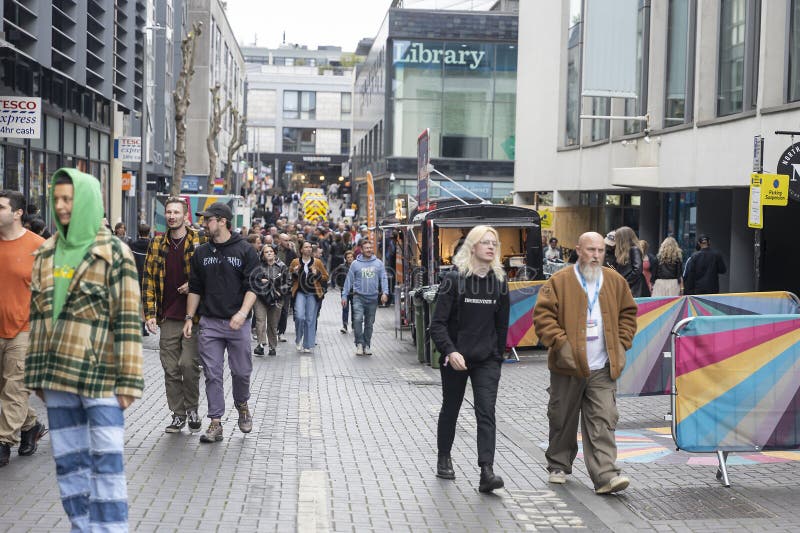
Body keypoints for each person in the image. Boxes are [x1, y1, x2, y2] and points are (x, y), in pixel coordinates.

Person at [25, 169, 144, 530]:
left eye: (69, 199)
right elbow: (37, 320)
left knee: (107, 466)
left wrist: (129, 383)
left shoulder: (114, 254)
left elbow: (127, 319)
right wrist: (37, 378)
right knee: (69, 465)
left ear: (87, 201)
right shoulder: (45, 253)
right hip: (57, 380)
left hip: (102, 379)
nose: (61, 206)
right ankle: (82, 527)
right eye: (57, 199)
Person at [532, 231, 637, 495]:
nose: (596, 256)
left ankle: (605, 475)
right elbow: (543, 317)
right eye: (591, 250)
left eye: (600, 251)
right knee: (562, 418)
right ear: (578, 250)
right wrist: (561, 344)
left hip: (603, 367)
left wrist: (622, 344)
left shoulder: (615, 281)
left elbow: (628, 314)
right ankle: (558, 464)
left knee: (603, 419)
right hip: (567, 366)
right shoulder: (559, 281)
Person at [429, 225, 510, 493]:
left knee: (486, 412)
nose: (491, 247)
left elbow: (502, 326)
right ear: (473, 247)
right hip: (456, 358)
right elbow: (437, 324)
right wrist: (450, 352)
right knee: (450, 408)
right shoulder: (454, 279)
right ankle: (444, 456)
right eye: (485, 242)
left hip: (486, 360)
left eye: (494, 244)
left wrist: (497, 357)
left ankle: (486, 471)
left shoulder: (499, 282)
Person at [185, 202, 260, 443]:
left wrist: (242, 313)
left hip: (238, 323)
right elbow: (195, 288)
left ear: (222, 221)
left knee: (241, 372)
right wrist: (189, 318)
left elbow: (253, 286)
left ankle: (242, 404)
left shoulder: (246, 250)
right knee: (212, 373)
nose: (204, 224)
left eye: (208, 220)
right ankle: (215, 422)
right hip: (210, 323)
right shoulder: (201, 253)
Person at [142, 197, 204, 434]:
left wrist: (193, 284)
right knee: (170, 369)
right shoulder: (157, 244)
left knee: (188, 365)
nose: (171, 216)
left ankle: (192, 409)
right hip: (167, 316)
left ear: (185, 216)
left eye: (176, 212)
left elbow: (209, 274)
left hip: (192, 317)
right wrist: (149, 313)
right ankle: (178, 414)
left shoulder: (199, 241)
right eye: (168, 212)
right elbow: (147, 279)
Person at [0, 190, 47, 467]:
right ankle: (30, 426)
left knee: (15, 389)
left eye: (1, 207)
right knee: (5, 388)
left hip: (26, 330)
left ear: (17, 214)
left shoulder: (39, 247)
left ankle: (4, 442)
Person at [341, 240, 389, 356]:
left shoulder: (378, 263)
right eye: (366, 248)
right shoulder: (355, 264)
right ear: (361, 250)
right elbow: (349, 280)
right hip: (358, 297)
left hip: (372, 298)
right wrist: (344, 295)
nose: (369, 250)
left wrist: (385, 293)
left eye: (370, 247)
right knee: (357, 320)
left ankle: (367, 345)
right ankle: (359, 343)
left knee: (369, 323)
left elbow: (383, 278)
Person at [289, 241, 329, 353]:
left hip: (313, 293)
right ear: (301, 250)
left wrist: (317, 274)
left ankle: (307, 344)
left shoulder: (317, 262)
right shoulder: (295, 261)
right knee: (300, 316)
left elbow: (326, 276)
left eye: (310, 247)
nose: (308, 249)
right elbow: (288, 276)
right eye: (306, 247)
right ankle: (298, 338)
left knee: (310, 319)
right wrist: (295, 272)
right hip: (300, 292)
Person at [252, 245, 288, 357]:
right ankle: (261, 344)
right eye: (266, 252)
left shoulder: (282, 266)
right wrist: (260, 280)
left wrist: (279, 292)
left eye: (271, 251)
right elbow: (252, 280)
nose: (269, 253)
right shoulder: (258, 266)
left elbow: (288, 283)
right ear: (262, 255)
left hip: (276, 298)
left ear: (275, 253)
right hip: (261, 297)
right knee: (260, 320)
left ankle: (272, 346)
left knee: (273, 323)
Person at [612, 226, 650, 298]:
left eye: (617, 238)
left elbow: (637, 270)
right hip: (630, 286)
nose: (615, 240)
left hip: (635, 288)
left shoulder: (634, 249)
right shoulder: (623, 252)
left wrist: (625, 282)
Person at [275, 232, 297, 342]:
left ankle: (281, 332)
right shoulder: (274, 250)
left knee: (284, 309)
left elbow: (296, 265)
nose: (288, 242)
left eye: (288, 240)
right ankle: (273, 330)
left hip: (287, 284)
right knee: (274, 308)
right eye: (285, 240)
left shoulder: (291, 253)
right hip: (274, 284)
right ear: (280, 241)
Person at [338, 250, 355, 333]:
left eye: (351, 257)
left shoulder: (356, 267)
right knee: (345, 308)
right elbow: (337, 277)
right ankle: (344, 326)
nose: (350, 259)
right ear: (345, 259)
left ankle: (354, 325)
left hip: (355, 291)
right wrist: (341, 286)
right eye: (348, 257)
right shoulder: (341, 267)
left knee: (354, 308)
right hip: (345, 291)